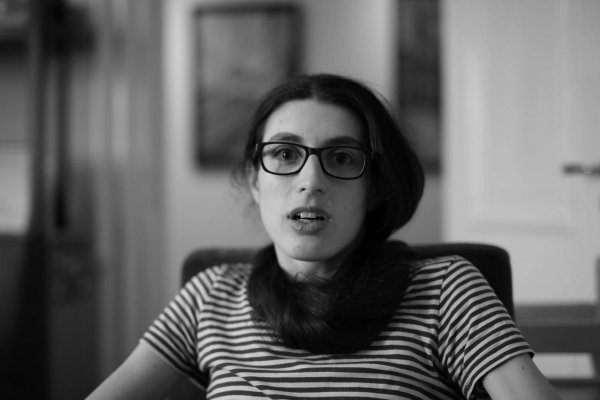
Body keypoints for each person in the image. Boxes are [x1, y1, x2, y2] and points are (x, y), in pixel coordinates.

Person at [87, 73, 560, 399]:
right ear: (255, 180)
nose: (310, 181)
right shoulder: (209, 295)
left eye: (342, 158)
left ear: (375, 188)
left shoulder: (446, 291)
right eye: (284, 154)